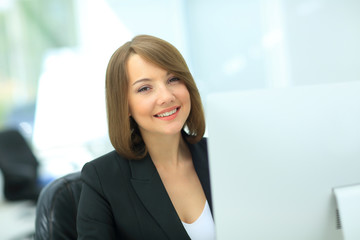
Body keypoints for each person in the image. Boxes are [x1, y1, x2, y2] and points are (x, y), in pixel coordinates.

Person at [77, 35, 215, 240]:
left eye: (173, 79)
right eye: (145, 88)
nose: (166, 96)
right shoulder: (101, 179)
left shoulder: (222, 157)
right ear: (125, 105)